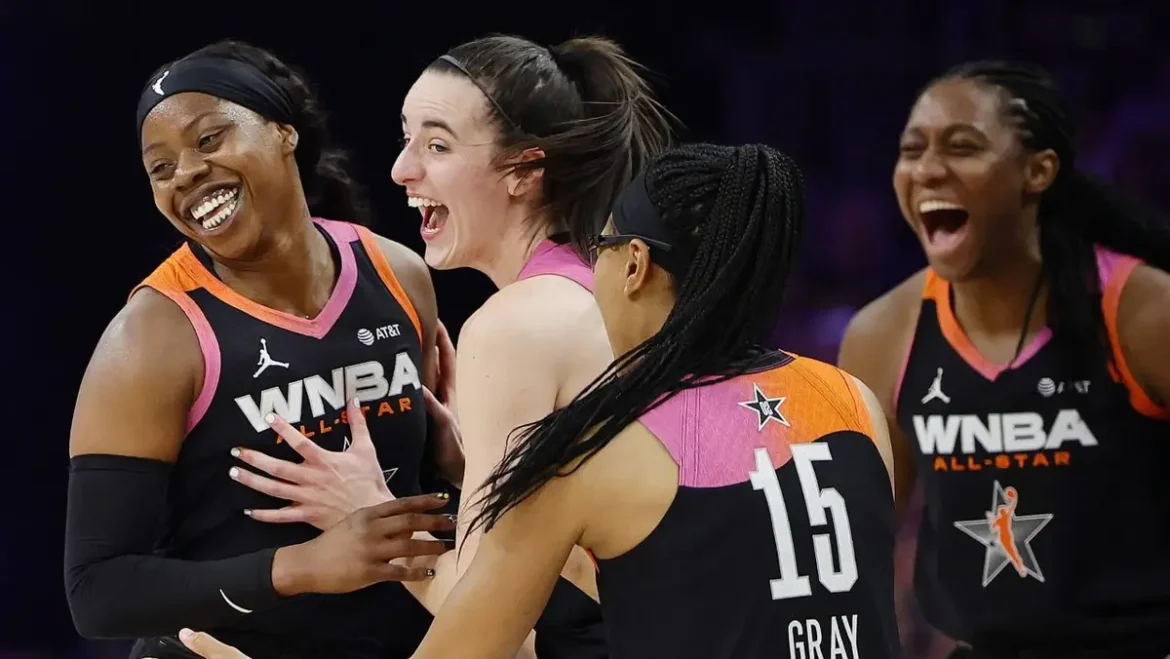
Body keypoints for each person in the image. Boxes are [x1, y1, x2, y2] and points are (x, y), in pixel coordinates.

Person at [180, 142, 903, 659]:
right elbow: (708, 570)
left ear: (635, 264)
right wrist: (476, 477)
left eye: (605, 248)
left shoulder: (596, 448)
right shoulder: (854, 402)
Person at [206, 33, 676, 658]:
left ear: (525, 170)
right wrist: (471, 463)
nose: (402, 168)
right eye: (407, 138)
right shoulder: (600, 284)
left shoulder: (516, 324)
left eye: (437, 145)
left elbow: (500, 637)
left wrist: (370, 509)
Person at [64, 40, 460, 659]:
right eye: (160, 168)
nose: (186, 173)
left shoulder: (399, 272)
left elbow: (427, 493)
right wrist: (300, 567)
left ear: (283, 132)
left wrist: (469, 467)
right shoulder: (152, 337)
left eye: (208, 140)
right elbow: (98, 592)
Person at [838, 61, 1170, 657]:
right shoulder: (883, 334)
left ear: (1037, 171)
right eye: (911, 150)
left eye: (962, 147)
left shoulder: (1140, 312)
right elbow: (855, 551)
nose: (928, 169)